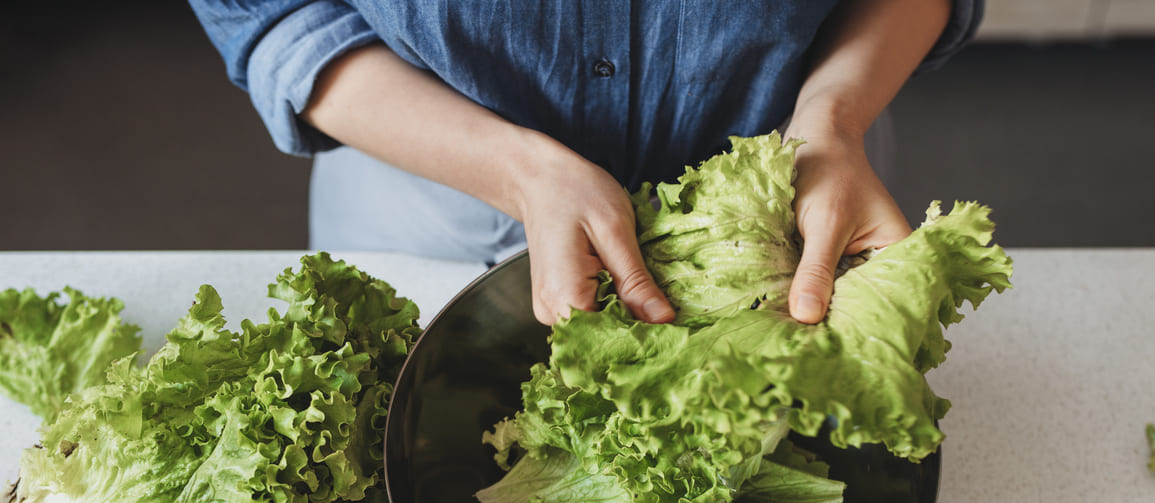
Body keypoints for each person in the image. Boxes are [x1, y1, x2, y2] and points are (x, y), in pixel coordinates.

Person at [189, 1, 982, 324]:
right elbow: (275, 13)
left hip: (786, 209)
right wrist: (515, 170)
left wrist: (833, 119)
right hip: (434, 213)